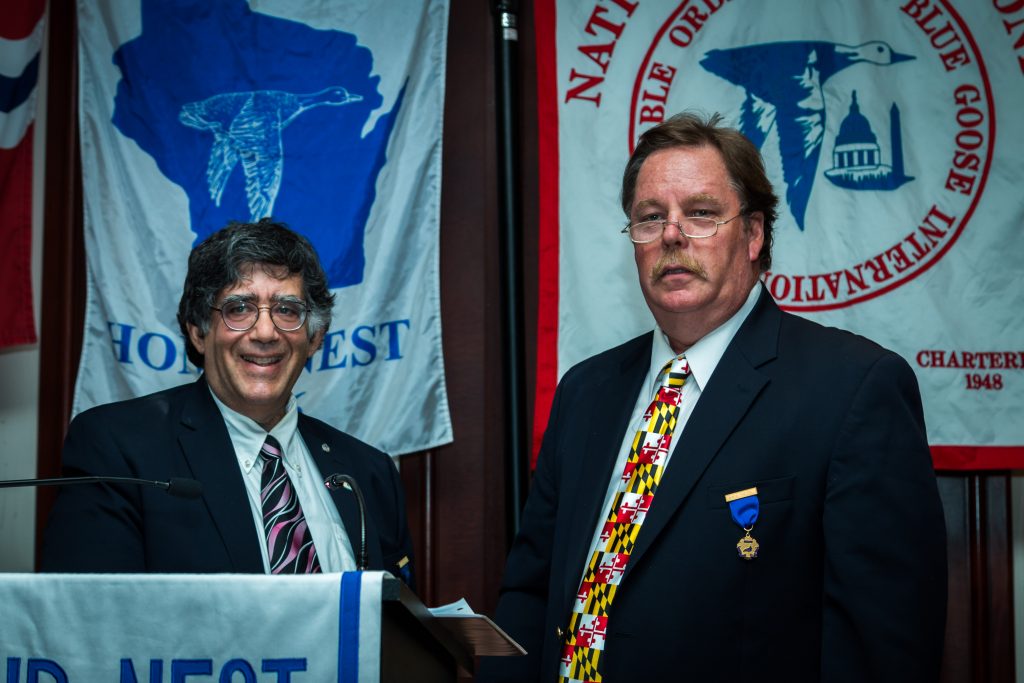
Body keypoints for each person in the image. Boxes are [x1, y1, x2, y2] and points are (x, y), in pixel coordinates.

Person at [479, 112, 946, 682]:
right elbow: (530, 594)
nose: (672, 235)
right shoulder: (585, 391)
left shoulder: (853, 387)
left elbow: (882, 647)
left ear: (753, 234)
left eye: (700, 213)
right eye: (651, 217)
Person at [42, 218, 414, 583]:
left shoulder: (371, 474)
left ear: (315, 338)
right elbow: (92, 615)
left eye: (287, 310)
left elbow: (402, 621)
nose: (265, 332)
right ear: (199, 332)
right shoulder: (118, 450)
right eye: (239, 308)